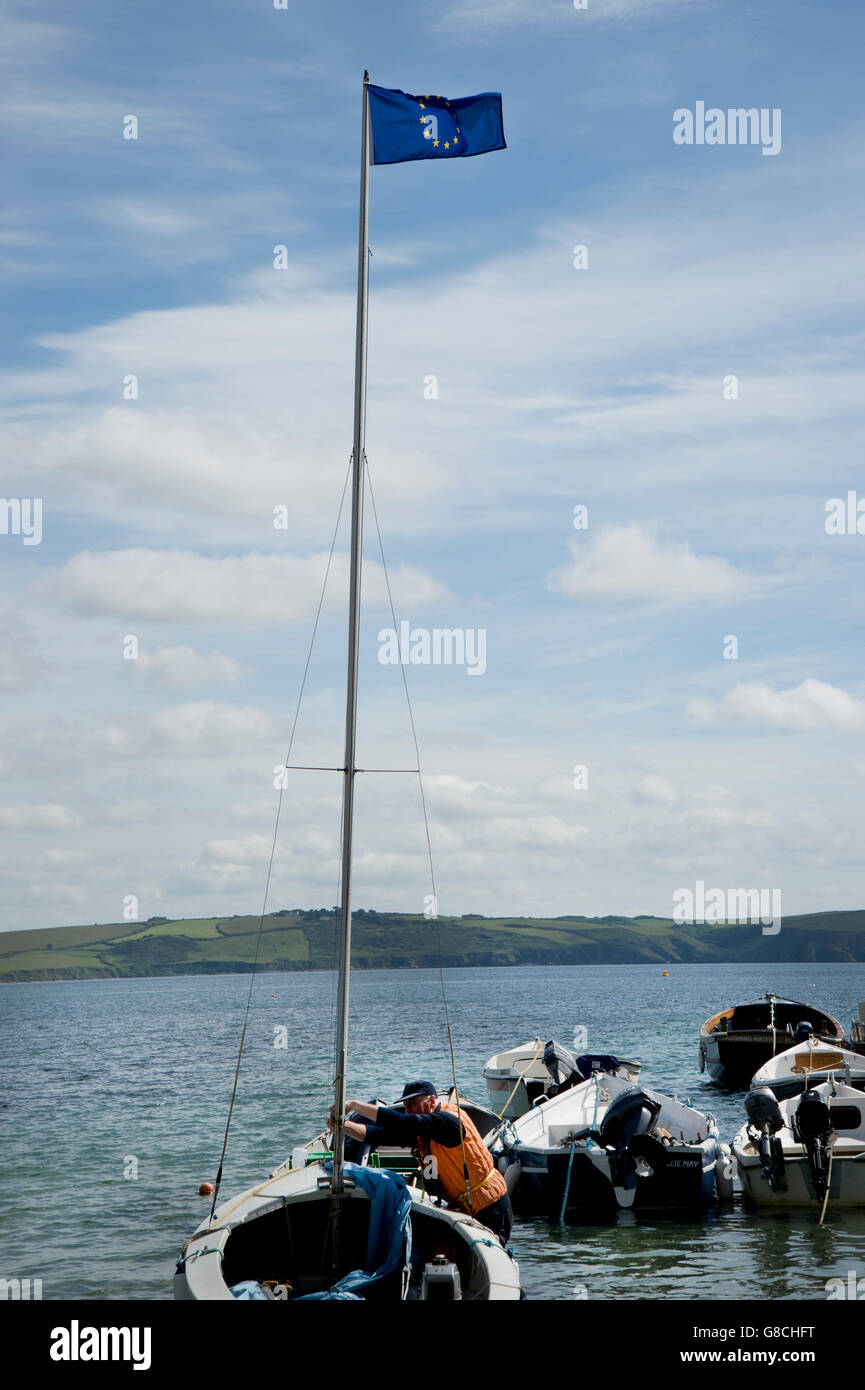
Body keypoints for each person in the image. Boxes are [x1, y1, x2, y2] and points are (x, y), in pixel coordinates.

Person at [328, 1079, 512, 1243]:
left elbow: (400, 1121)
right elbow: (378, 1135)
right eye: (406, 1105)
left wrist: (352, 1105)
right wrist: (343, 1126)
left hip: (491, 1207)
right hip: (466, 1206)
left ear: (432, 1101)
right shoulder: (425, 1130)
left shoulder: (446, 1121)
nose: (408, 1110)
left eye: (413, 1103)